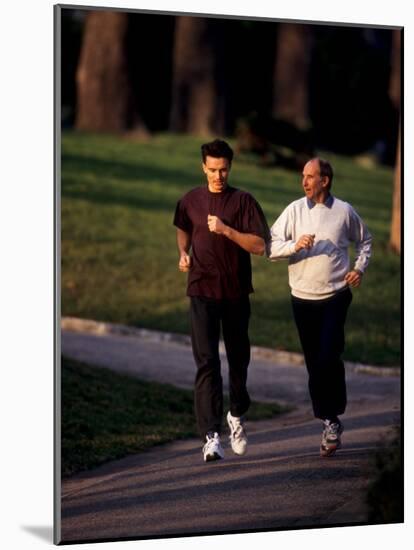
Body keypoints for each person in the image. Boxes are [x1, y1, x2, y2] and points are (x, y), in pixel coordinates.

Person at [268, 157, 372, 457]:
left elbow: (365, 242)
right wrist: (295, 246)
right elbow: (270, 247)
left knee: (328, 355)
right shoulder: (294, 210)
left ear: (324, 180)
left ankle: (333, 413)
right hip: (302, 298)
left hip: (336, 295)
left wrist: (359, 269)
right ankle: (329, 420)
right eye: (303, 176)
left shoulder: (344, 212)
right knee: (314, 362)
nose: (304, 182)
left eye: (310, 177)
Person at [173, 139, 269, 462]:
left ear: (230, 167)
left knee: (239, 360)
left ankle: (236, 413)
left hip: (236, 293)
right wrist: (183, 253)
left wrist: (227, 231)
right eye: (213, 169)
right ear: (203, 167)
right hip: (201, 290)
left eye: (224, 169)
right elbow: (183, 227)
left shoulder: (243, 202)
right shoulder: (190, 200)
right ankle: (211, 436)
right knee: (207, 363)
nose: (218, 175)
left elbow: (259, 246)